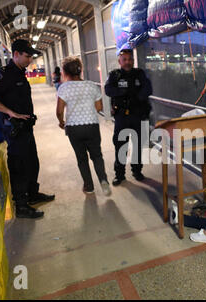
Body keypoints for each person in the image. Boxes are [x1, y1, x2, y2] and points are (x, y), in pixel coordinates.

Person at [0, 39, 55, 219]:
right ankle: (21, 205)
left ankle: (32, 194)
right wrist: (9, 112)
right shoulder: (5, 75)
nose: (30, 59)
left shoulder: (20, 73)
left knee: (32, 162)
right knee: (19, 166)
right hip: (15, 130)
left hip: (26, 128)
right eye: (27, 56)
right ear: (16, 54)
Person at [56, 57, 111, 196]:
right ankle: (103, 180)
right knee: (97, 155)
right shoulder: (92, 85)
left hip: (74, 128)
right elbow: (99, 107)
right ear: (80, 70)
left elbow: (59, 111)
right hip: (92, 125)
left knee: (81, 158)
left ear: (65, 72)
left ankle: (89, 186)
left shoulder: (63, 88)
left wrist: (61, 122)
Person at [104, 49, 152, 186]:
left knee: (137, 146)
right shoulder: (114, 75)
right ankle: (119, 175)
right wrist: (124, 92)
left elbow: (148, 89)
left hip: (138, 115)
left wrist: (135, 97)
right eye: (124, 60)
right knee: (121, 146)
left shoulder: (140, 74)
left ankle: (137, 171)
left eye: (130, 59)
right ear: (120, 61)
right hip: (121, 117)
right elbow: (108, 90)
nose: (127, 62)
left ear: (133, 60)